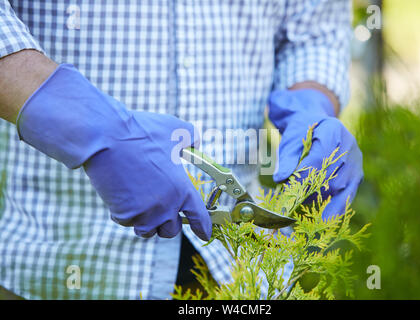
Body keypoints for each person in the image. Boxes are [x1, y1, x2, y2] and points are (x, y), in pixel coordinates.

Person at [0, 0, 363, 299]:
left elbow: (315, 29)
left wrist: (311, 103)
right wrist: (81, 120)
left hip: (238, 279)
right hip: (54, 272)